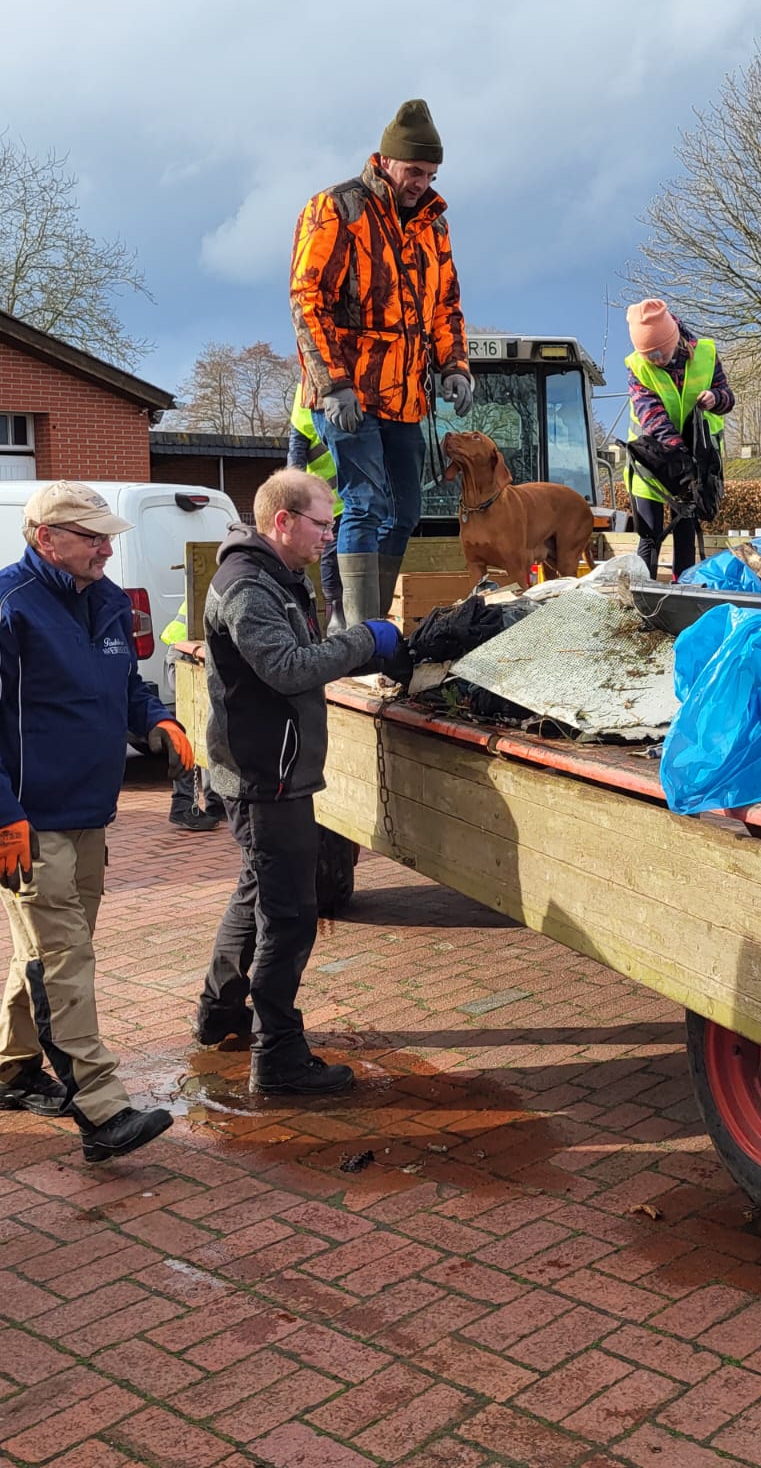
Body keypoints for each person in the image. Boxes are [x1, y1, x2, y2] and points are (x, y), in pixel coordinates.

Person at [196, 468, 412, 1095]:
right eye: (322, 522)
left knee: (253, 894)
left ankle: (218, 1016)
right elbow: (287, 669)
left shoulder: (277, 577)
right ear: (282, 521)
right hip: (268, 777)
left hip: (270, 769)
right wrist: (363, 642)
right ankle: (280, 1059)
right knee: (288, 918)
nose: (330, 534)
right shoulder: (246, 587)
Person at [0, 481, 189, 1162]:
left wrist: (155, 718)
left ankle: (13, 1068)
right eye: (91, 537)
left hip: (90, 816)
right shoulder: (8, 607)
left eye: (108, 536)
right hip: (28, 824)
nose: (106, 548)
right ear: (45, 538)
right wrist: (4, 817)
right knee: (65, 960)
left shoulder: (106, 599)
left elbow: (124, 684)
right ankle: (102, 1110)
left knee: (50, 956)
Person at [291, 98, 473, 629]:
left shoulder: (433, 227)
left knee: (406, 514)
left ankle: (368, 625)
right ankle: (356, 632)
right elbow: (308, 297)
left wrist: (455, 365)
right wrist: (333, 383)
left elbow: (444, 306)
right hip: (349, 393)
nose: (422, 182)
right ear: (386, 160)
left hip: (405, 397)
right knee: (364, 504)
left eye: (431, 173)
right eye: (414, 170)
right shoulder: (337, 208)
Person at [624, 299, 735, 580]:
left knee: (685, 531)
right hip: (651, 462)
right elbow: (653, 417)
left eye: (659, 353)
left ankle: (681, 588)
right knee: (649, 535)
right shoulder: (638, 367)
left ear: (674, 339)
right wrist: (680, 456)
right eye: (649, 355)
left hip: (694, 461)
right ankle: (643, 594)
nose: (656, 360)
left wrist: (715, 398)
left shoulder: (707, 355)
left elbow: (727, 397)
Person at [160, 600, 226, 831]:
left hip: (191, 653)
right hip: (184, 655)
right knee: (193, 729)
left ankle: (214, 801)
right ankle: (183, 803)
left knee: (209, 727)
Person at [286, 384, 345, 631]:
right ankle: (335, 612)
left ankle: (342, 613)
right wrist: (294, 500)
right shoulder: (309, 393)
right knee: (330, 557)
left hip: (355, 499)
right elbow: (295, 459)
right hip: (328, 505)